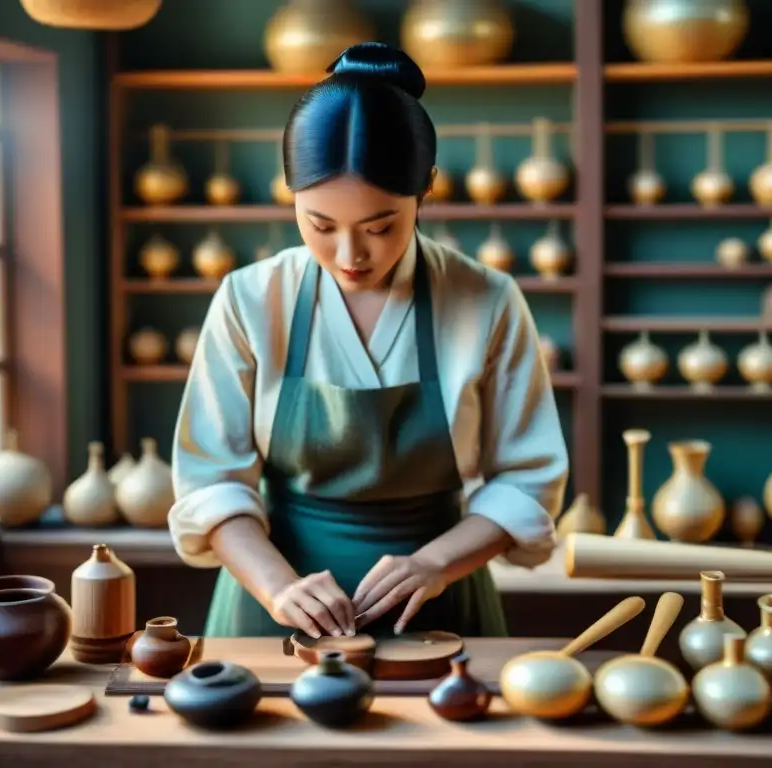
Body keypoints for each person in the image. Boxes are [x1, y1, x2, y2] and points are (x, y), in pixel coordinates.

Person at [168, 42, 569, 641]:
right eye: (320, 226)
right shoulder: (251, 299)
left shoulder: (486, 298)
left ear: (425, 189)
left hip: (439, 610)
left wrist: (436, 564)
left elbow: (528, 482)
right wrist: (279, 587)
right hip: (275, 611)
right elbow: (211, 482)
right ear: (291, 195)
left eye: (381, 226)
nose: (351, 255)